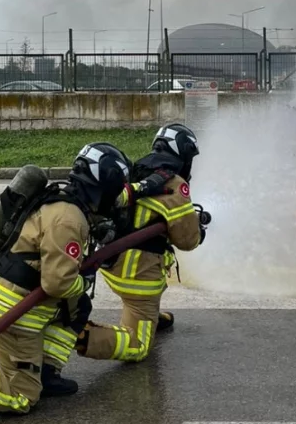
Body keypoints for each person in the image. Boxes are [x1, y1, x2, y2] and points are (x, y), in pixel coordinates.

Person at [0, 142, 132, 424]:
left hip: (11, 300)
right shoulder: (69, 218)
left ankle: (46, 374)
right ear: (103, 186)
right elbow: (57, 283)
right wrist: (82, 281)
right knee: (21, 396)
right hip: (14, 313)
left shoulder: (64, 201)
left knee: (79, 308)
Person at [75, 123, 205, 363]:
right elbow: (187, 240)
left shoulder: (138, 169)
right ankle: (82, 335)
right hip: (138, 275)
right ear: (184, 155)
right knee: (138, 346)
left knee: (147, 298)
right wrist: (199, 227)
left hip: (114, 264)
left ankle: (150, 317)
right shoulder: (175, 185)